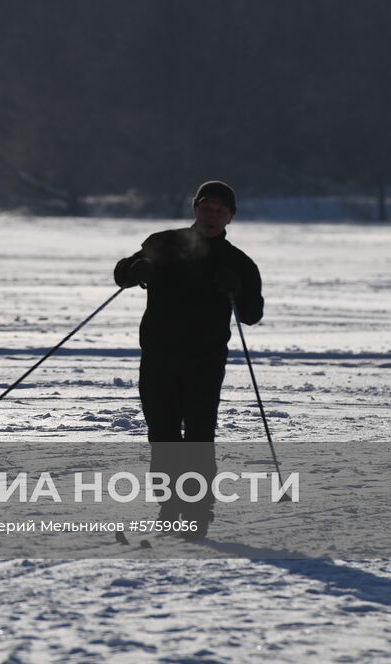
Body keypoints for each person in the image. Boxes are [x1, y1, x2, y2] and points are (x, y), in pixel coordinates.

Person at [113, 180, 263, 537]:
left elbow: (252, 314)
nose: (212, 216)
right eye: (207, 208)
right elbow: (121, 273)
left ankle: (196, 513)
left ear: (230, 217)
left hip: (205, 361)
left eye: (220, 211)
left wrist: (236, 288)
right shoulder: (164, 243)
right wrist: (135, 272)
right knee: (162, 435)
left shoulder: (238, 263)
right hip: (158, 356)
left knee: (197, 436)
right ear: (195, 208)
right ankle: (169, 508)